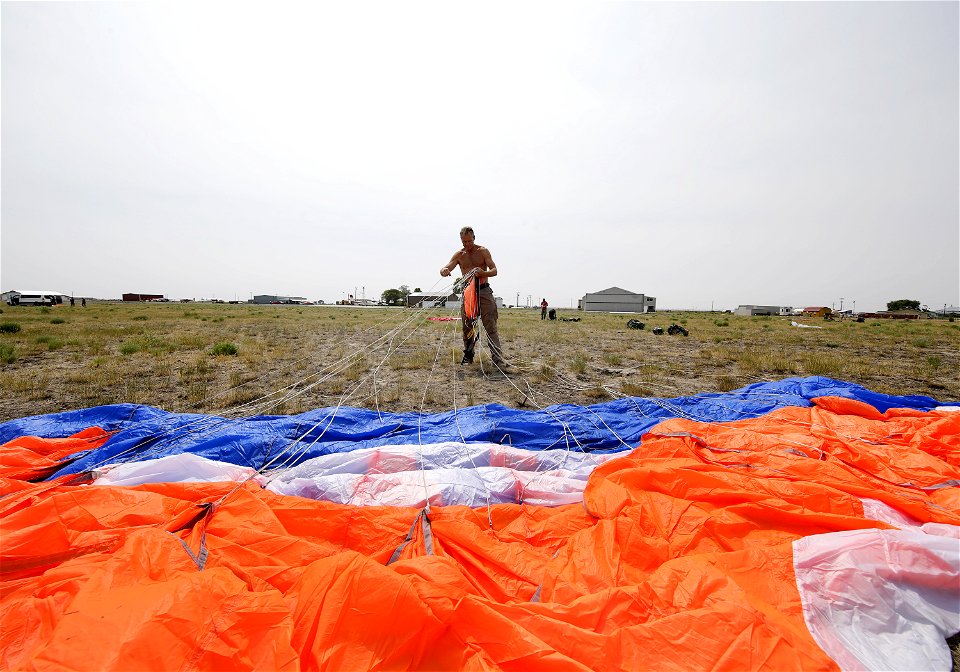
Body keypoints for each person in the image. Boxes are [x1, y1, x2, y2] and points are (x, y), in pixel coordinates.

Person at [440, 227, 504, 366]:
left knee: (490, 326)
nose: (467, 244)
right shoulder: (459, 255)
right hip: (468, 294)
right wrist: (444, 270)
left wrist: (483, 273)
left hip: (484, 291)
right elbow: (447, 267)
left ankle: (497, 360)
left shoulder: (483, 251)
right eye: (464, 242)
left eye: (469, 241)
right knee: (467, 327)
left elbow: (494, 270)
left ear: (474, 238)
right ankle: (469, 355)